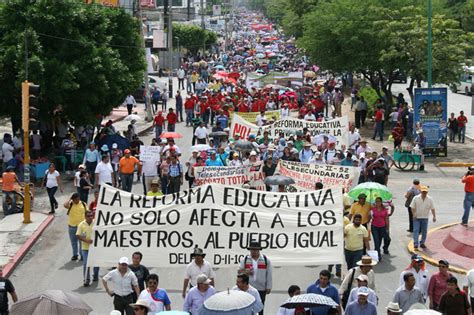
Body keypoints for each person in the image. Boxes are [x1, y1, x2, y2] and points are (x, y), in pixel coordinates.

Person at [238, 241, 272, 315]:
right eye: (252, 249)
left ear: (259, 250)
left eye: (255, 249)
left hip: (261, 288)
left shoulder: (265, 260)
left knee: (260, 307)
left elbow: (269, 274)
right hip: (248, 288)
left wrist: (268, 286)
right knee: (247, 307)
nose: (253, 251)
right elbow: (239, 271)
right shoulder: (245, 259)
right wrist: (246, 271)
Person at [76, 210, 99, 286]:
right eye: (88, 216)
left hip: (95, 248)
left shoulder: (96, 222)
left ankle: (95, 275)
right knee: (86, 264)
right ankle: (86, 279)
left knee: (96, 263)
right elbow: (78, 235)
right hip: (85, 248)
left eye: (91, 215)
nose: (90, 217)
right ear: (85, 217)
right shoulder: (81, 225)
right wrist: (86, 240)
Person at [410, 185, 436, 250]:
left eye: (425, 192)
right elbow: (412, 207)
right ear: (420, 191)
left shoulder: (430, 199)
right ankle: (416, 244)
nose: (424, 193)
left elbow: (432, 208)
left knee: (424, 231)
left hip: (425, 217)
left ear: (427, 192)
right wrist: (413, 214)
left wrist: (434, 216)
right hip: (417, 217)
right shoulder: (415, 198)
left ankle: (422, 243)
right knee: (416, 230)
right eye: (423, 192)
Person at [64, 193, 87, 261]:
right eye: (75, 200)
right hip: (72, 227)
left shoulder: (83, 204)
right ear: (73, 199)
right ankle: (75, 255)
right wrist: (70, 199)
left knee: (82, 242)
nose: (77, 201)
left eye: (78, 199)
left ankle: (82, 255)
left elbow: (87, 212)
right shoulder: (70, 204)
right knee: (73, 242)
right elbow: (65, 205)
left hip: (82, 227)